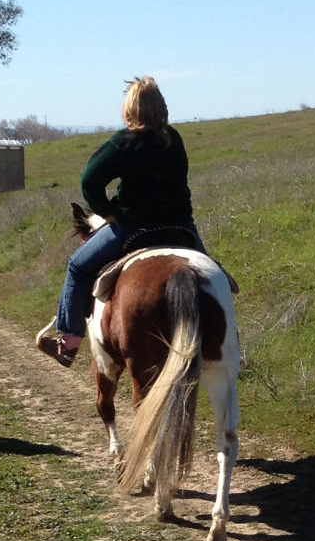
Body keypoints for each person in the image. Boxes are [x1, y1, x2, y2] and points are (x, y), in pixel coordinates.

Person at [37, 77, 206, 366]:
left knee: (77, 266)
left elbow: (89, 180)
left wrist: (107, 211)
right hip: (181, 227)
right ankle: (231, 342)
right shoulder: (173, 138)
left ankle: (69, 343)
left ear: (129, 109)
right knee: (214, 278)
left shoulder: (124, 142)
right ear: (161, 107)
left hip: (133, 228)